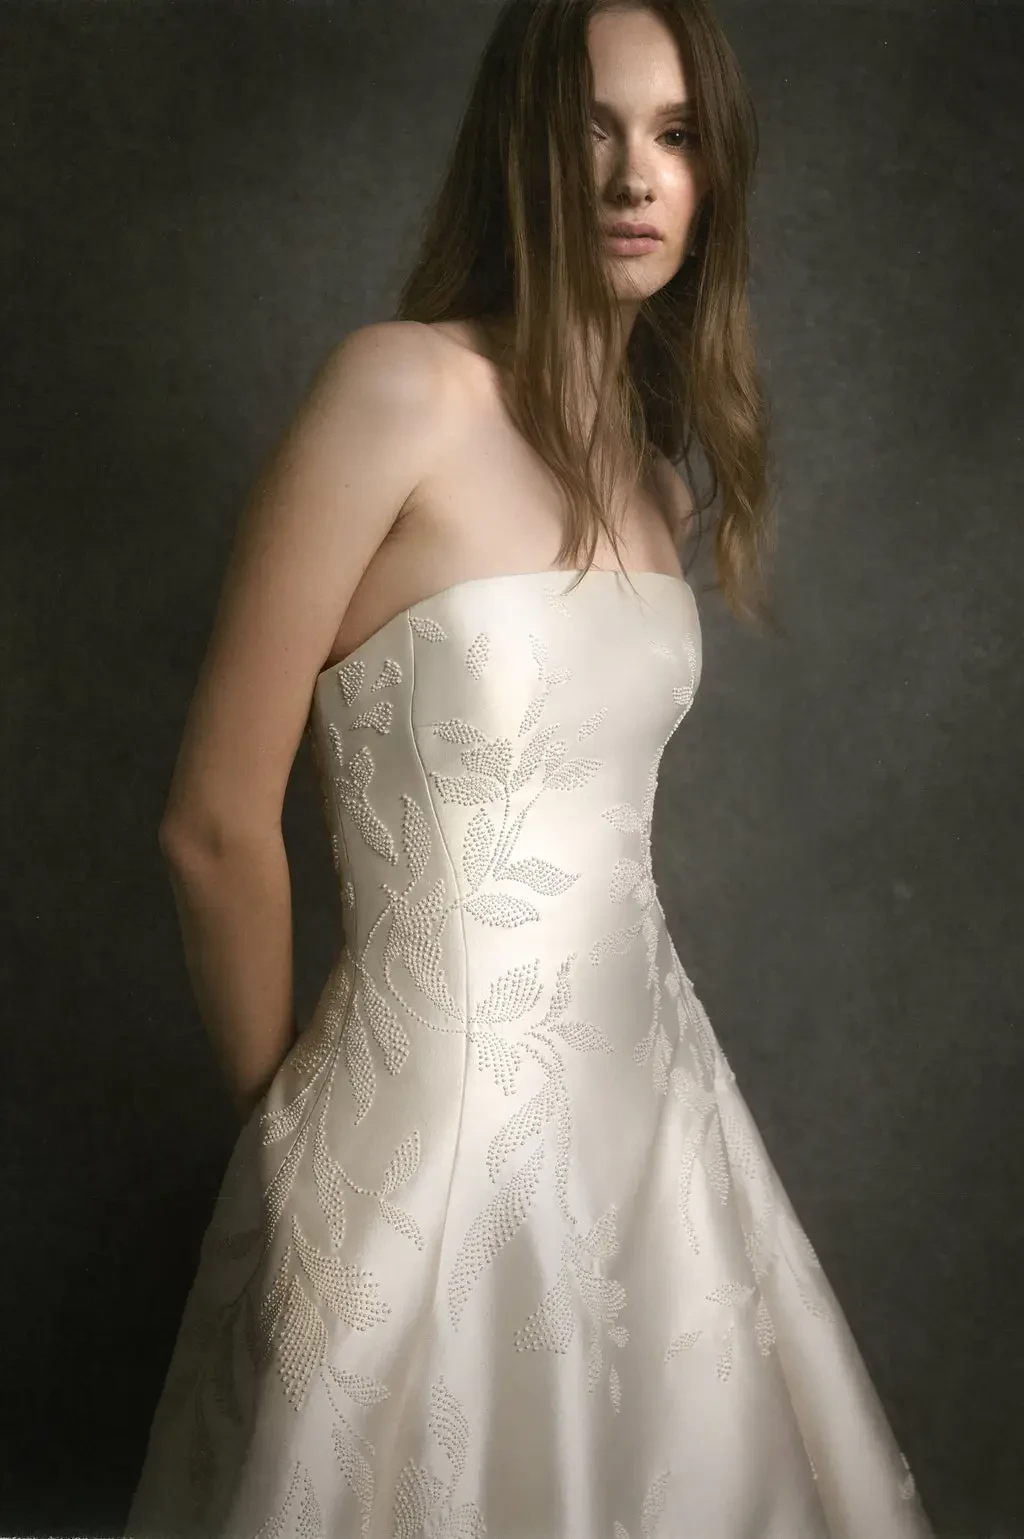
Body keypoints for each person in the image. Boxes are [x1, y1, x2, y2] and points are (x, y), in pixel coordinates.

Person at [125, 1, 936, 1534]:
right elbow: (213, 824)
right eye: (594, 128)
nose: (636, 175)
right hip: (417, 1128)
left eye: (677, 135)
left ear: (713, 175)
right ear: (522, 148)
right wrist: (284, 1138)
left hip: (655, 1123)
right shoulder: (398, 391)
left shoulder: (651, 479)